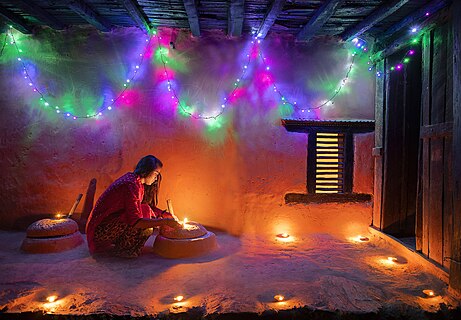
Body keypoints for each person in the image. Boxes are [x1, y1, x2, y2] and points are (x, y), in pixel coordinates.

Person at [86, 155, 181, 258]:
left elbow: (143, 206)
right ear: (146, 170)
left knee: (145, 210)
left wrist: (164, 214)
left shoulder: (136, 182)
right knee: (145, 223)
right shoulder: (130, 185)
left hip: (108, 224)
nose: (156, 178)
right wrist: (165, 222)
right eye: (156, 174)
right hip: (100, 231)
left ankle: (124, 245)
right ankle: (125, 250)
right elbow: (135, 221)